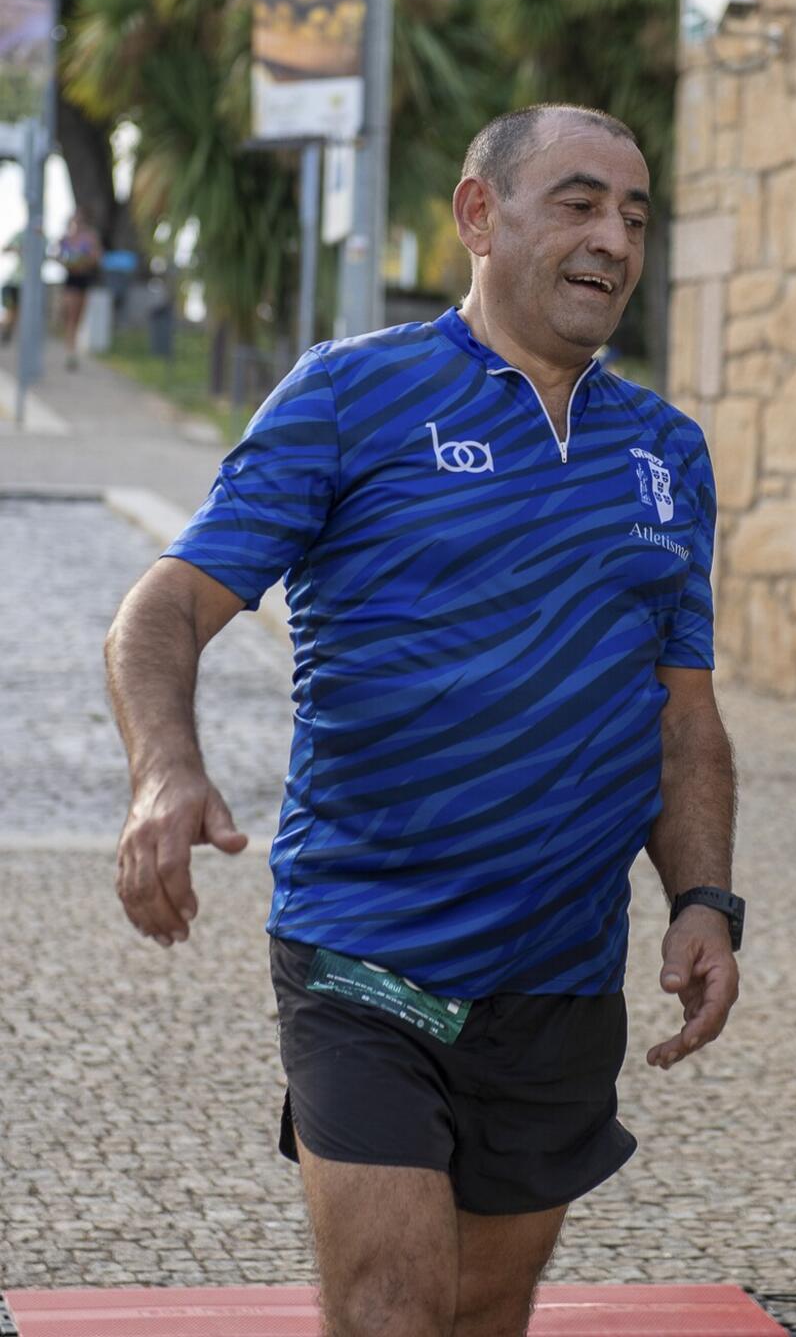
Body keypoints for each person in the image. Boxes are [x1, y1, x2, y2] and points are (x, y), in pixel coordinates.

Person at [105, 104, 743, 1337]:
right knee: (394, 1309)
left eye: (635, 215)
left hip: (561, 971)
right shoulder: (353, 395)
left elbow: (685, 716)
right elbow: (164, 607)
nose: (614, 238)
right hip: (367, 948)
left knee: (480, 1316)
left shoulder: (669, 450)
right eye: (579, 203)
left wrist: (705, 897)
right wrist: (163, 772)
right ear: (478, 215)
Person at [58, 206, 103, 370]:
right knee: (70, 316)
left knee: (78, 319)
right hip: (71, 279)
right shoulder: (66, 238)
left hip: (84, 279)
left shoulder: (91, 237)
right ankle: (70, 352)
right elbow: (59, 258)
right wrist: (70, 262)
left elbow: (97, 257)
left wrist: (84, 260)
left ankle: (73, 349)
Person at [0, 233, 23, 345]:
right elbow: (5, 248)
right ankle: (6, 333)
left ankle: (8, 333)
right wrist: (17, 249)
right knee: (11, 311)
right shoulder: (21, 235)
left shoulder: (43, 238)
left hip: (22, 284)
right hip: (13, 284)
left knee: (14, 312)